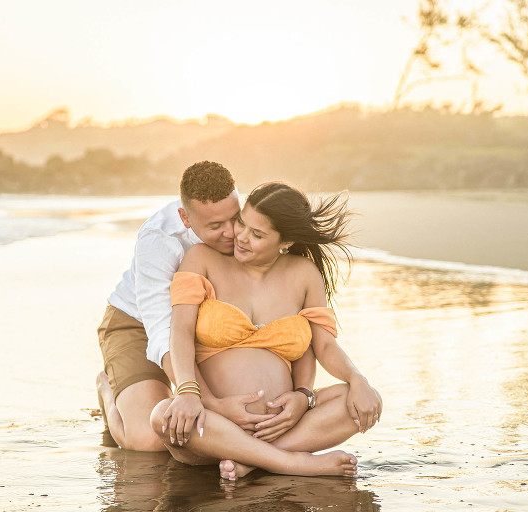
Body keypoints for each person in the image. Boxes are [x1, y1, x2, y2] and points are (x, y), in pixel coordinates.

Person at [150, 182, 383, 478]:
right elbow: (180, 331)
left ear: (284, 241)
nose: (241, 238)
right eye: (241, 223)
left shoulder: (304, 274)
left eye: (257, 234)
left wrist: (310, 394)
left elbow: (324, 346)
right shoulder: (202, 258)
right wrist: (189, 393)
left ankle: (252, 460)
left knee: (360, 398)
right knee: (161, 415)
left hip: (283, 425)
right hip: (212, 426)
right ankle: (291, 462)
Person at [96, 163, 314, 451]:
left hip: (204, 319)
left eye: (234, 218)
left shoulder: (247, 224)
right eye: (215, 226)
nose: (231, 233)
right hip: (139, 323)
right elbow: (164, 330)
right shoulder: (159, 240)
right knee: (147, 441)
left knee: (196, 429)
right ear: (185, 218)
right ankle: (107, 390)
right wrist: (204, 399)